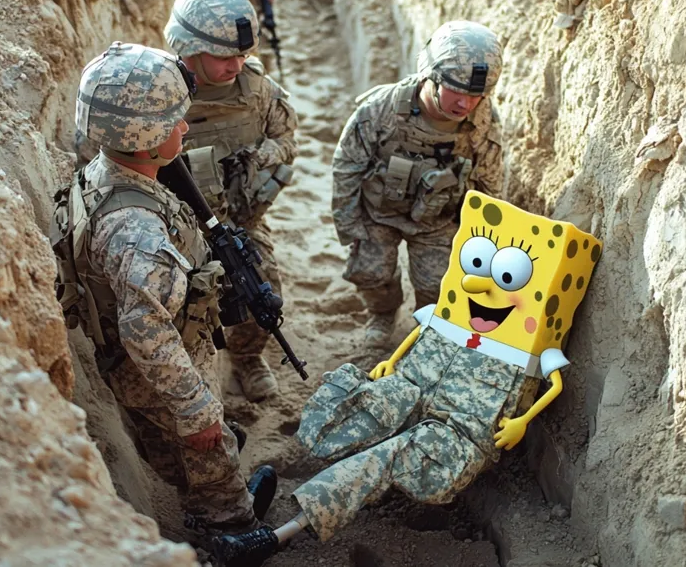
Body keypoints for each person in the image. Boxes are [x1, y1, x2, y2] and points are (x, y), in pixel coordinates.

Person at [210, 191, 603, 566]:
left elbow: (554, 385)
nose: (476, 283)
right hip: (414, 387)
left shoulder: (532, 348)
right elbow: (420, 334)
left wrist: (520, 421)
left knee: (381, 460)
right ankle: (302, 479)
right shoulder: (448, 314)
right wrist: (388, 366)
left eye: (507, 274)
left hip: (456, 437)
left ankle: (275, 536)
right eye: (478, 264)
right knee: (360, 404)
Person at [51, 41, 276, 539]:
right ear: (145, 137)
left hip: (128, 364)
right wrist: (196, 410)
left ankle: (196, 500)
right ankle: (232, 523)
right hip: (164, 367)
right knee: (207, 451)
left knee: (173, 448)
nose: (184, 127)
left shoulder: (106, 171)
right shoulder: (138, 232)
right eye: (174, 121)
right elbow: (148, 328)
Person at [162, 0, 298, 402]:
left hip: (237, 219)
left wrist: (257, 154)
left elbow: (289, 140)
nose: (236, 65)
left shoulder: (257, 90)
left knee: (263, 288)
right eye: (224, 56)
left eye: (243, 55)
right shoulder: (155, 90)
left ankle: (247, 358)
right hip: (173, 223)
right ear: (188, 45)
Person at [330, 20, 505, 346]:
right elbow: (347, 167)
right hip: (379, 213)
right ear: (432, 76)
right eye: (457, 90)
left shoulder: (482, 124)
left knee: (438, 286)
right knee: (370, 273)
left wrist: (481, 243)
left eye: (476, 96)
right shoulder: (381, 110)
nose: (465, 104)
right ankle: (381, 314)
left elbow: (490, 185)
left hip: (437, 221)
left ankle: (427, 322)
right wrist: (349, 223)